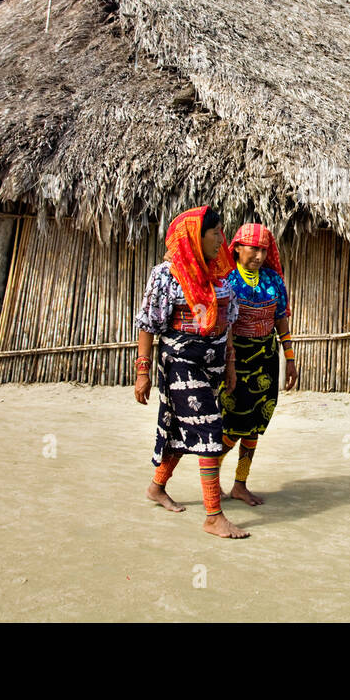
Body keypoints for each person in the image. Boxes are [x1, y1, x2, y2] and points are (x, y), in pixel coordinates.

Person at [134, 205, 249, 539]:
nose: (220, 239)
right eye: (214, 232)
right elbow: (148, 324)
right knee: (209, 428)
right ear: (194, 237)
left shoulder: (222, 273)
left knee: (181, 430)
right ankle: (214, 515)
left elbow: (228, 322)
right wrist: (143, 372)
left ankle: (157, 487)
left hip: (212, 362)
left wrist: (230, 365)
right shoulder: (167, 275)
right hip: (181, 361)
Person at [219, 223, 298, 506]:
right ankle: (211, 479)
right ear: (237, 248)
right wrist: (228, 363)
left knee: (254, 426)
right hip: (236, 359)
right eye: (254, 248)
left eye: (264, 250)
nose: (259, 255)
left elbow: (281, 319)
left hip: (266, 359)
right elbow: (224, 324)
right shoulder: (227, 280)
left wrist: (289, 358)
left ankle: (240, 483)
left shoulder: (274, 280)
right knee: (233, 425)